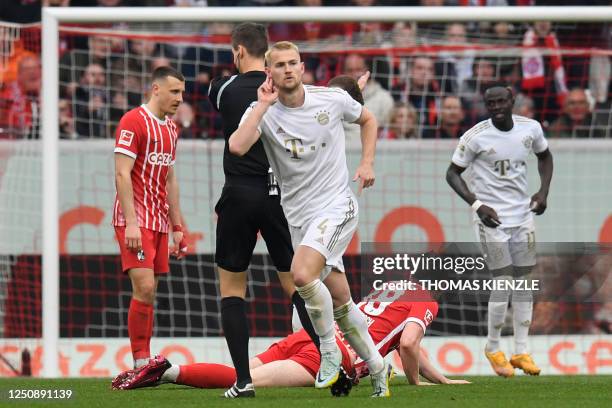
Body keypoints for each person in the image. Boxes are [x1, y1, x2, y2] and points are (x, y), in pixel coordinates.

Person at [228, 41, 391, 397]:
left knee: (301, 275)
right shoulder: (262, 110)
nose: (288, 69)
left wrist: (366, 162)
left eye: (293, 63)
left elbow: (368, 119)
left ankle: (328, 351)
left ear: (302, 68)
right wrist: (262, 106)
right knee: (344, 303)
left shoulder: (329, 99)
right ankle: (379, 368)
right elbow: (238, 146)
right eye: (280, 65)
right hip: (299, 217)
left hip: (337, 205)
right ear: (268, 72)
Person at [206, 23, 318, 399]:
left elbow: (219, 95)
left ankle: (243, 379)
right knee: (298, 285)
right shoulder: (284, 91)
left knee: (232, 289)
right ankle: (331, 363)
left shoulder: (221, 88)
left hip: (238, 194)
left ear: (237, 51)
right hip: (277, 196)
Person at [112, 285, 471, 391]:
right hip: (332, 357)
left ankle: (163, 369)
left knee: (237, 369)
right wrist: (416, 384)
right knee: (247, 382)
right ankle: (167, 370)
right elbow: (408, 343)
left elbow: (404, 343)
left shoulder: (397, 287)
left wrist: (437, 377)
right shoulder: (427, 300)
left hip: (311, 338)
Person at [446, 83, 553, 378]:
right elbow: (452, 173)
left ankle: (521, 350)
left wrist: (543, 192)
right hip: (490, 219)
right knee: (504, 279)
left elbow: (545, 157)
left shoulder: (530, 129)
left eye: (501, 102)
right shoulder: (475, 137)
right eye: (490, 103)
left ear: (512, 100)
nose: (496, 107)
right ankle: (493, 347)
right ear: (486, 105)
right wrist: (478, 204)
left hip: (523, 216)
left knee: (523, 281)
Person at [112, 66, 188, 375]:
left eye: (181, 93)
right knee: (143, 286)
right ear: (155, 89)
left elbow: (170, 180)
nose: (179, 98)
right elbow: (121, 172)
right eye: (174, 92)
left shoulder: (171, 128)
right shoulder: (133, 120)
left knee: (150, 291)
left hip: (158, 222)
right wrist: (131, 222)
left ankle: (143, 359)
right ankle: (141, 360)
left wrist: (178, 227)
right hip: (135, 220)